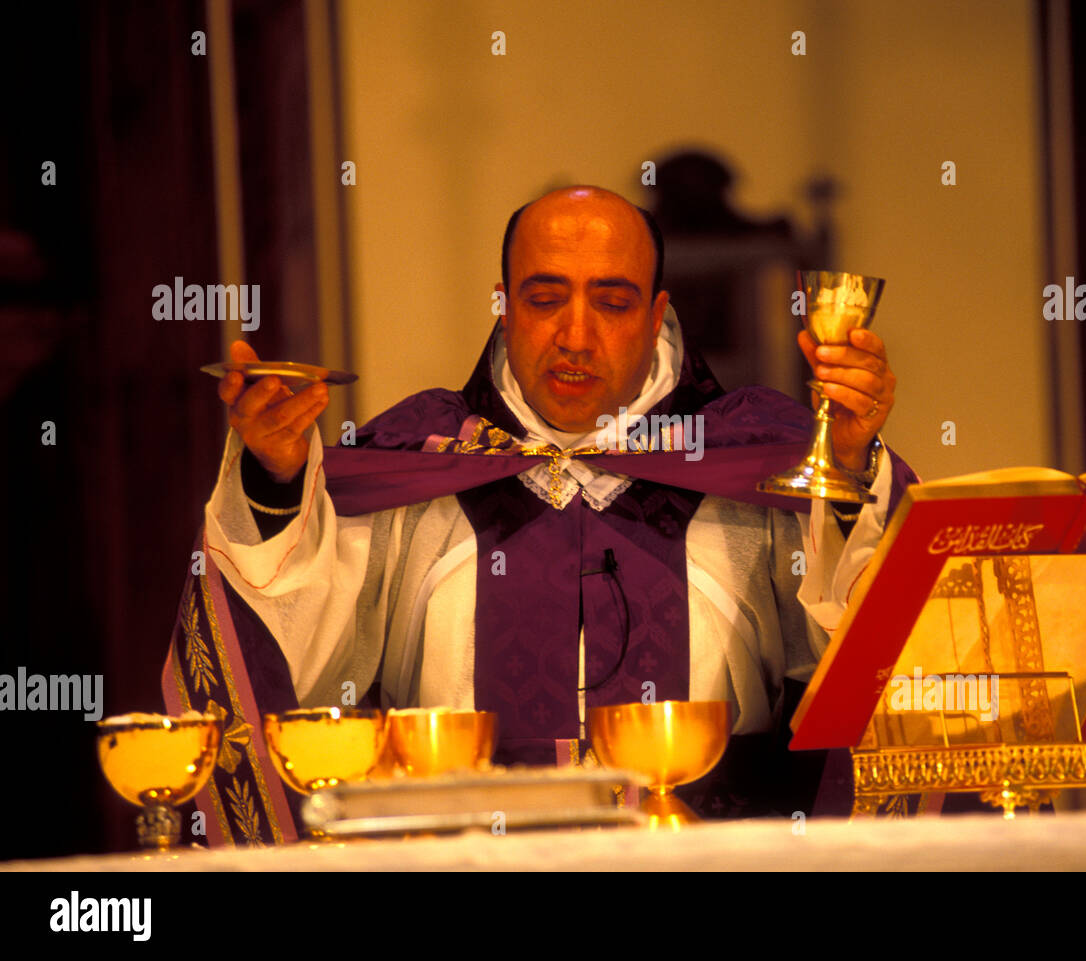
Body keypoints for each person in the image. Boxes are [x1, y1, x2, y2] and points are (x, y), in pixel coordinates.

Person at [164, 185, 915, 843]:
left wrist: (847, 467)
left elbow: (868, 656)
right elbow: (291, 657)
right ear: (505, 302)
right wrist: (277, 479)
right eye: (546, 298)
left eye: (613, 302)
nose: (576, 335)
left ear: (658, 315)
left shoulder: (754, 459)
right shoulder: (414, 461)